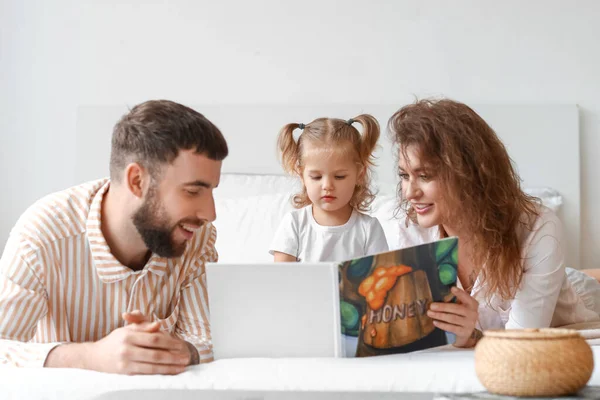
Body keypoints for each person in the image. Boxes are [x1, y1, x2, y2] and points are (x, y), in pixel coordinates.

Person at [0, 100, 228, 374]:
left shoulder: (197, 238)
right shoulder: (43, 236)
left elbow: (206, 342)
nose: (210, 214)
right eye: (193, 191)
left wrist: (185, 351)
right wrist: (89, 357)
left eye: (212, 191)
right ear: (137, 181)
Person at [388, 98, 600, 348]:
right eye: (404, 175)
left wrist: (471, 336)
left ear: (467, 174)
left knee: (584, 281)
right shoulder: (402, 229)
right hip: (544, 274)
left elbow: (520, 343)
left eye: (424, 176)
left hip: (571, 302)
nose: (409, 193)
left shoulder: (538, 228)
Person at [270, 115, 389, 262]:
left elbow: (380, 278)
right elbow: (281, 278)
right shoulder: (294, 224)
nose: (327, 186)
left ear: (359, 174)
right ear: (302, 176)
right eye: (316, 177)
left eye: (339, 177)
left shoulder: (369, 229)